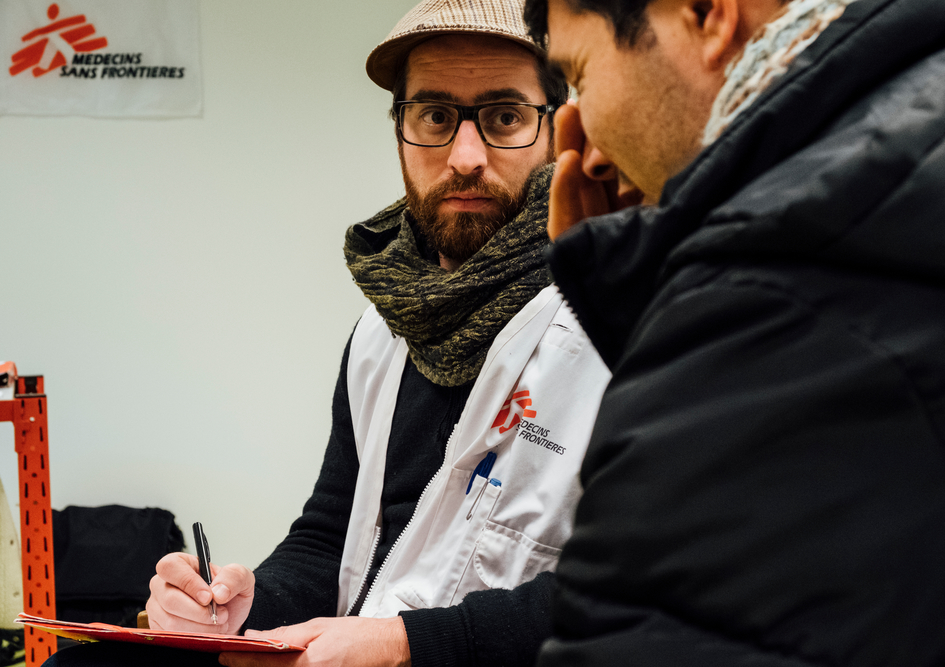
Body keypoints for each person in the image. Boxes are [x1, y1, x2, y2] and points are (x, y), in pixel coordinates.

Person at [44, 1, 609, 667]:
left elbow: (638, 587)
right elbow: (329, 536)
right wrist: (242, 602)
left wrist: (405, 643)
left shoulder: (611, 321)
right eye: (433, 115)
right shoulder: (382, 326)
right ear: (399, 129)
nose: (464, 156)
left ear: (559, 128)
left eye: (504, 117)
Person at [519, 0, 945, 665]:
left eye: (580, 75)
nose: (588, 154)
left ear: (706, 14)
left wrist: (679, 309)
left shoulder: (777, 270)